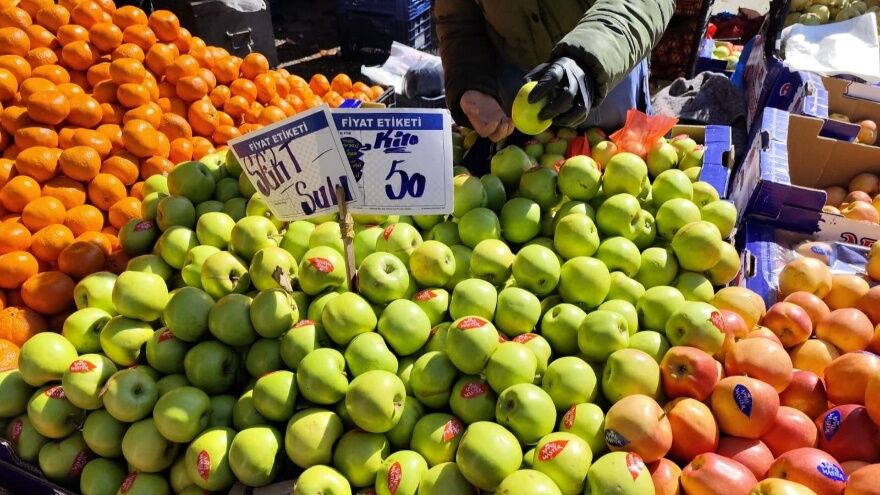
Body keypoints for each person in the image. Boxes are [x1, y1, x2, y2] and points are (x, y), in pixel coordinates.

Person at [436, 1, 676, 141]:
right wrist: (471, 81)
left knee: (614, 168)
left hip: (608, 66)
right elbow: (458, 18)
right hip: (512, 89)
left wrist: (587, 62)